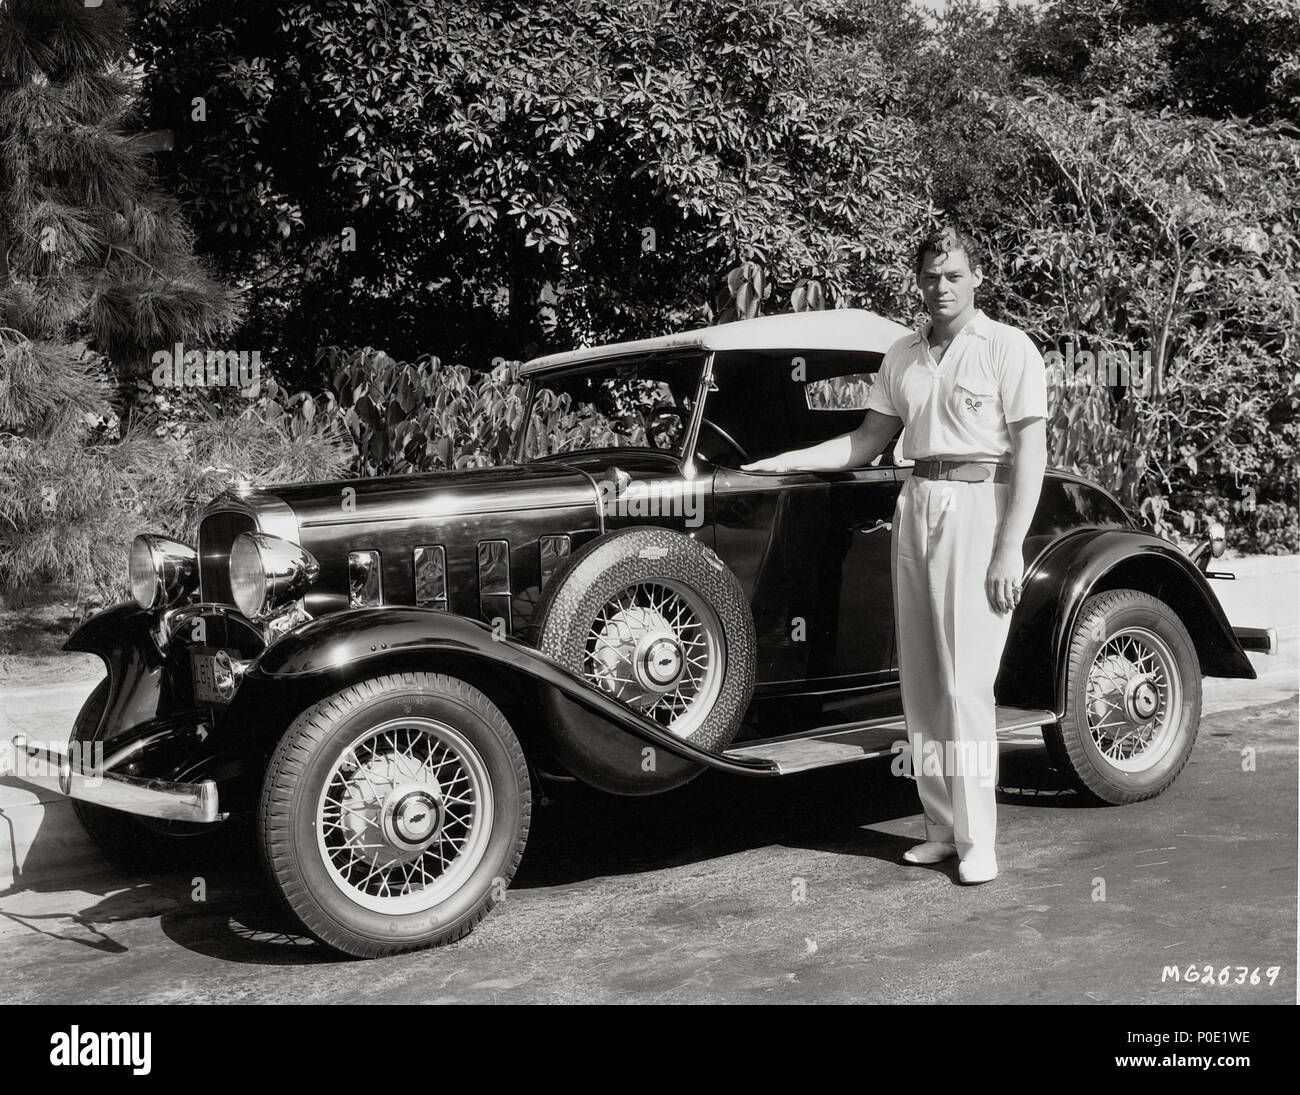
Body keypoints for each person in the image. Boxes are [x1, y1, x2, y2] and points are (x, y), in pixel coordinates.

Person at [741, 227, 1048, 884]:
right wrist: (782, 461)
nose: (942, 287)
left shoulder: (1007, 347)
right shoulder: (902, 354)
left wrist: (1007, 549)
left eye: (955, 275)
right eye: (932, 276)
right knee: (924, 683)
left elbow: (1031, 456)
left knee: (967, 686)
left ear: (977, 279)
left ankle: (978, 840)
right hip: (917, 505)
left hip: (976, 504)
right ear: (920, 281)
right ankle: (939, 827)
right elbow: (864, 440)